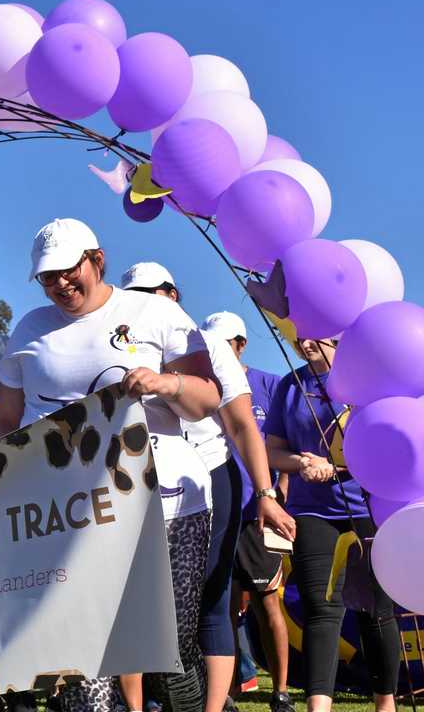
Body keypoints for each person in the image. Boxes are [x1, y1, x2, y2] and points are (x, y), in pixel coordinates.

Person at [0, 220, 223, 712]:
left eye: (67, 270)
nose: (59, 284)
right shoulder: (30, 328)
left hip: (167, 506)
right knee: (78, 655)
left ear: (96, 259)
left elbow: (207, 399)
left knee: (167, 649)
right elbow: (7, 418)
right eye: (47, 277)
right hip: (69, 512)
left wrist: (165, 384)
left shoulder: (153, 311)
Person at [120, 265, 296, 712]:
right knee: (136, 598)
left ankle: (214, 707)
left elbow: (241, 426)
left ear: (173, 293)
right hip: (141, 482)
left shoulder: (210, 345)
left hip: (211, 477)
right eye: (132, 294)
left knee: (212, 598)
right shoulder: (118, 342)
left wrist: (266, 494)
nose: (142, 300)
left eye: (151, 293)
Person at [263, 338, 400, 712]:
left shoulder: (367, 383)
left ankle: (384, 703)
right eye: (300, 335)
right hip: (313, 512)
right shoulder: (291, 386)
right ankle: (317, 706)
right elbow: (272, 450)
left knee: (376, 610)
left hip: (369, 509)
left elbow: (390, 439)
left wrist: (345, 464)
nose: (305, 342)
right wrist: (300, 462)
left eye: (317, 337)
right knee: (321, 609)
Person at [200, 312, 293, 712]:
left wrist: (277, 494)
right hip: (214, 508)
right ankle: (229, 694)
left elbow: (279, 442)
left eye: (227, 343)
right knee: (222, 603)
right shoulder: (202, 382)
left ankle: (281, 692)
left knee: (266, 600)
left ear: (241, 344)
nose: (220, 350)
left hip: (257, 511)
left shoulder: (270, 385)